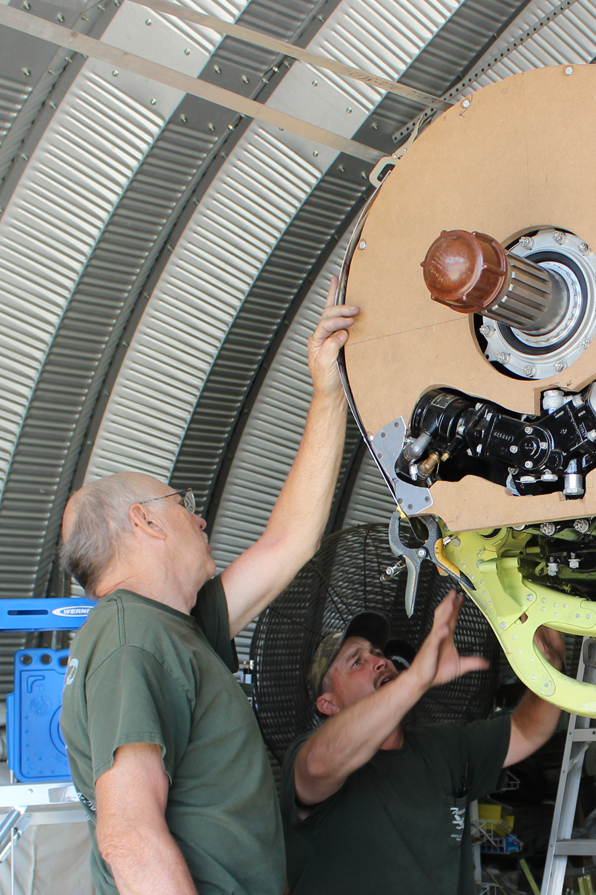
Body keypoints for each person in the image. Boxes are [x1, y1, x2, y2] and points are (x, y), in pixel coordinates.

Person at [58, 276, 359, 895]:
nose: (199, 516)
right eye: (182, 502)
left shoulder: (176, 625)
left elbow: (289, 543)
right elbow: (130, 836)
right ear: (142, 520)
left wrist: (327, 393)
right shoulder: (130, 640)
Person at [281, 589, 564, 895]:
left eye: (377, 652)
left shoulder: (445, 745)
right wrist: (417, 678)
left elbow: (526, 732)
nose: (379, 661)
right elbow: (317, 766)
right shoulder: (309, 755)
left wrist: (550, 667)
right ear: (328, 705)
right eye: (356, 662)